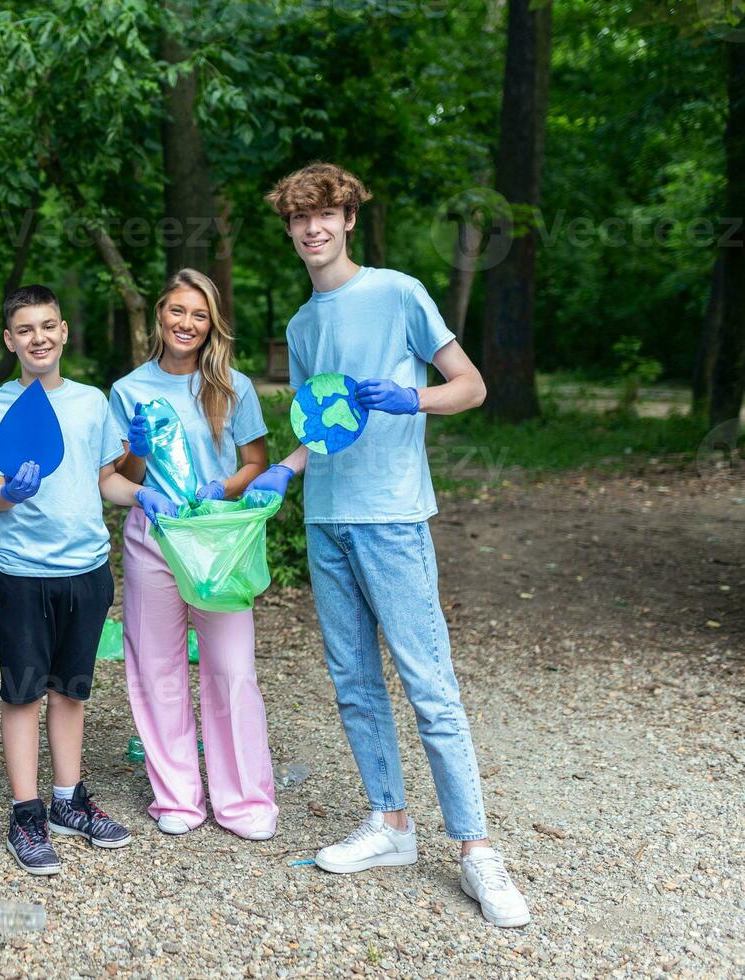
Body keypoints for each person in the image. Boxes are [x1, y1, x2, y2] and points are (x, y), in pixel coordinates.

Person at [245, 162, 530, 927]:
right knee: (352, 680)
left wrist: (412, 398)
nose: (310, 229)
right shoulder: (304, 326)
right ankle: (391, 825)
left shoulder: (399, 292)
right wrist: (283, 468)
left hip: (393, 515)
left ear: (347, 218)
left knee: (428, 681)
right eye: (298, 220)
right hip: (327, 518)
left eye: (323, 215)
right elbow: (319, 426)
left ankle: (475, 850)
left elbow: (469, 385)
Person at [0, 285, 163, 875]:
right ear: (9, 340)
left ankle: (67, 801)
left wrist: (143, 490)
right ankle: (25, 812)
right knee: (24, 690)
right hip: (24, 573)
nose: (38, 338)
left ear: (65, 330)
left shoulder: (90, 402)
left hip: (88, 570)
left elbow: (107, 480)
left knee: (71, 689)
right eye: (25, 330)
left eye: (47, 326)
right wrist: (11, 491)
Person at [109, 268, 281, 840]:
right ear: (161, 314)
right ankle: (178, 799)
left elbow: (255, 462)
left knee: (232, 670)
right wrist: (136, 455)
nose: (187, 323)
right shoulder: (129, 389)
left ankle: (245, 802)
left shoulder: (234, 386)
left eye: (199, 315)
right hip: (154, 542)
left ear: (212, 325)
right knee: (157, 670)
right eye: (178, 311)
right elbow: (117, 476)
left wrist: (225, 489)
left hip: (219, 544)